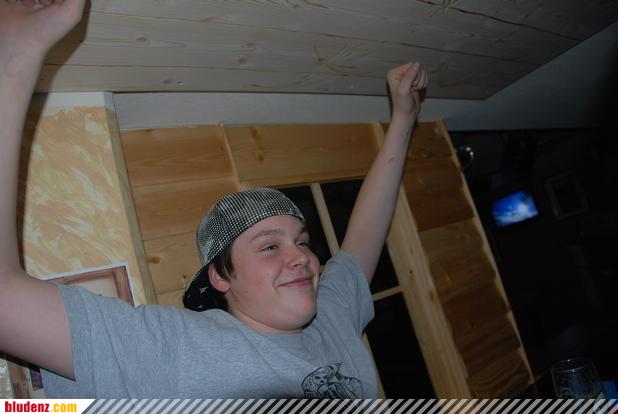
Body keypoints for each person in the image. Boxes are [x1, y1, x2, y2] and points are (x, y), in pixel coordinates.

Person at [0, 0, 428, 398]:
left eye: (301, 241)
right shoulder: (183, 350)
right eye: (269, 247)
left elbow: (364, 237)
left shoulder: (331, 316)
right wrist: (21, 52)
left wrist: (403, 118)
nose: (301, 257)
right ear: (221, 278)